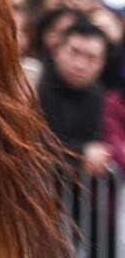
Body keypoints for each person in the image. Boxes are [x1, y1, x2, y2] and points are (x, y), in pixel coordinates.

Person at [39, 18, 114, 178]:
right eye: (74, 52)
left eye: (91, 58)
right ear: (57, 50)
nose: (80, 64)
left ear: (102, 63)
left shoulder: (96, 92)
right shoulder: (35, 81)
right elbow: (36, 141)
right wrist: (81, 154)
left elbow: (94, 141)